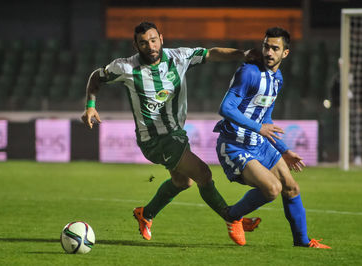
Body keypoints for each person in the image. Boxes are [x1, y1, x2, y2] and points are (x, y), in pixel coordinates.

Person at [81, 21, 260, 245]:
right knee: (203, 174)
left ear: (161, 39)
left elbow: (211, 53)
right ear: (136, 46)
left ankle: (145, 214)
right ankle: (231, 218)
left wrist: (241, 54)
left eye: (153, 40)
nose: (150, 46)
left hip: (176, 134)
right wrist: (90, 105)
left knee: (183, 182)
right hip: (154, 139)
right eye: (144, 42)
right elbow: (96, 77)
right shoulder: (125, 67)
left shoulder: (179, 57)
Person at [214, 27, 331, 248]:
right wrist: (259, 128)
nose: (268, 52)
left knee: (291, 187)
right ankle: (232, 215)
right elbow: (225, 108)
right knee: (272, 189)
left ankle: (303, 242)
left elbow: (266, 117)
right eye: (266, 46)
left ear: (285, 53)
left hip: (259, 143)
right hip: (234, 145)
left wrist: (284, 150)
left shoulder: (277, 78)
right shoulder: (248, 72)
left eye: (275, 48)